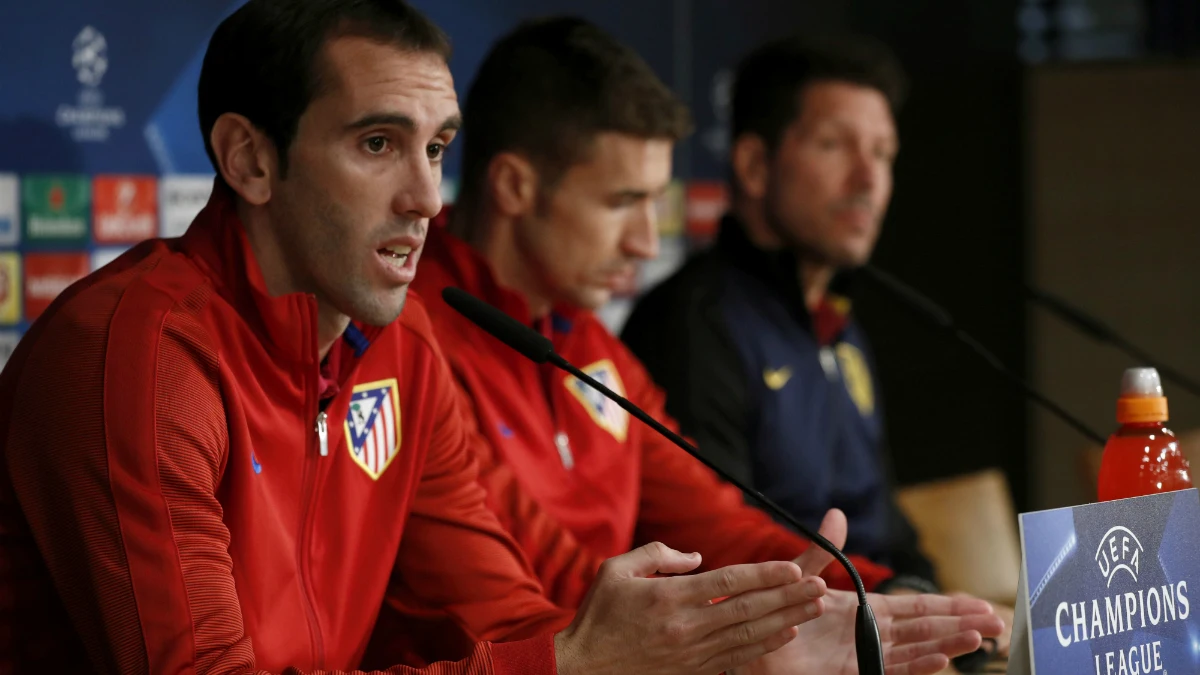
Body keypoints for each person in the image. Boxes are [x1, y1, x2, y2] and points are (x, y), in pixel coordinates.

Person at [0, 3, 835, 673]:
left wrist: (723, 658)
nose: (428, 198)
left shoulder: (402, 349)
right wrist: (576, 664)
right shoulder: (138, 354)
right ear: (248, 160)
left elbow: (506, 615)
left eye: (436, 148)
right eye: (377, 144)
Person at [406, 17, 1004, 674]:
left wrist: (861, 590)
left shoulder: (593, 344)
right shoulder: (412, 338)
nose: (643, 242)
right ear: (514, 186)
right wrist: (739, 635)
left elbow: (714, 519)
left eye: (654, 204)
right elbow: (546, 573)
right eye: (622, 201)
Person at [620, 34, 1013, 652]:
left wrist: (919, 590)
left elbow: (882, 517)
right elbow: (711, 546)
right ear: (753, 165)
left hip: (876, 624)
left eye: (884, 154)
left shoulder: (841, 326)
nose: (868, 180)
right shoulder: (692, 324)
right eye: (835, 146)